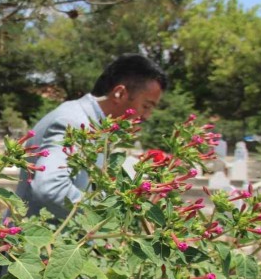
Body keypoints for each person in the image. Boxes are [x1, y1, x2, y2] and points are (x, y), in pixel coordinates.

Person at [16, 53, 168, 221]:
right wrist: (108, 215)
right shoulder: (73, 121)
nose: (147, 116)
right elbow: (51, 188)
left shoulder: (96, 125)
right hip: (39, 242)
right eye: (146, 106)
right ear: (119, 93)